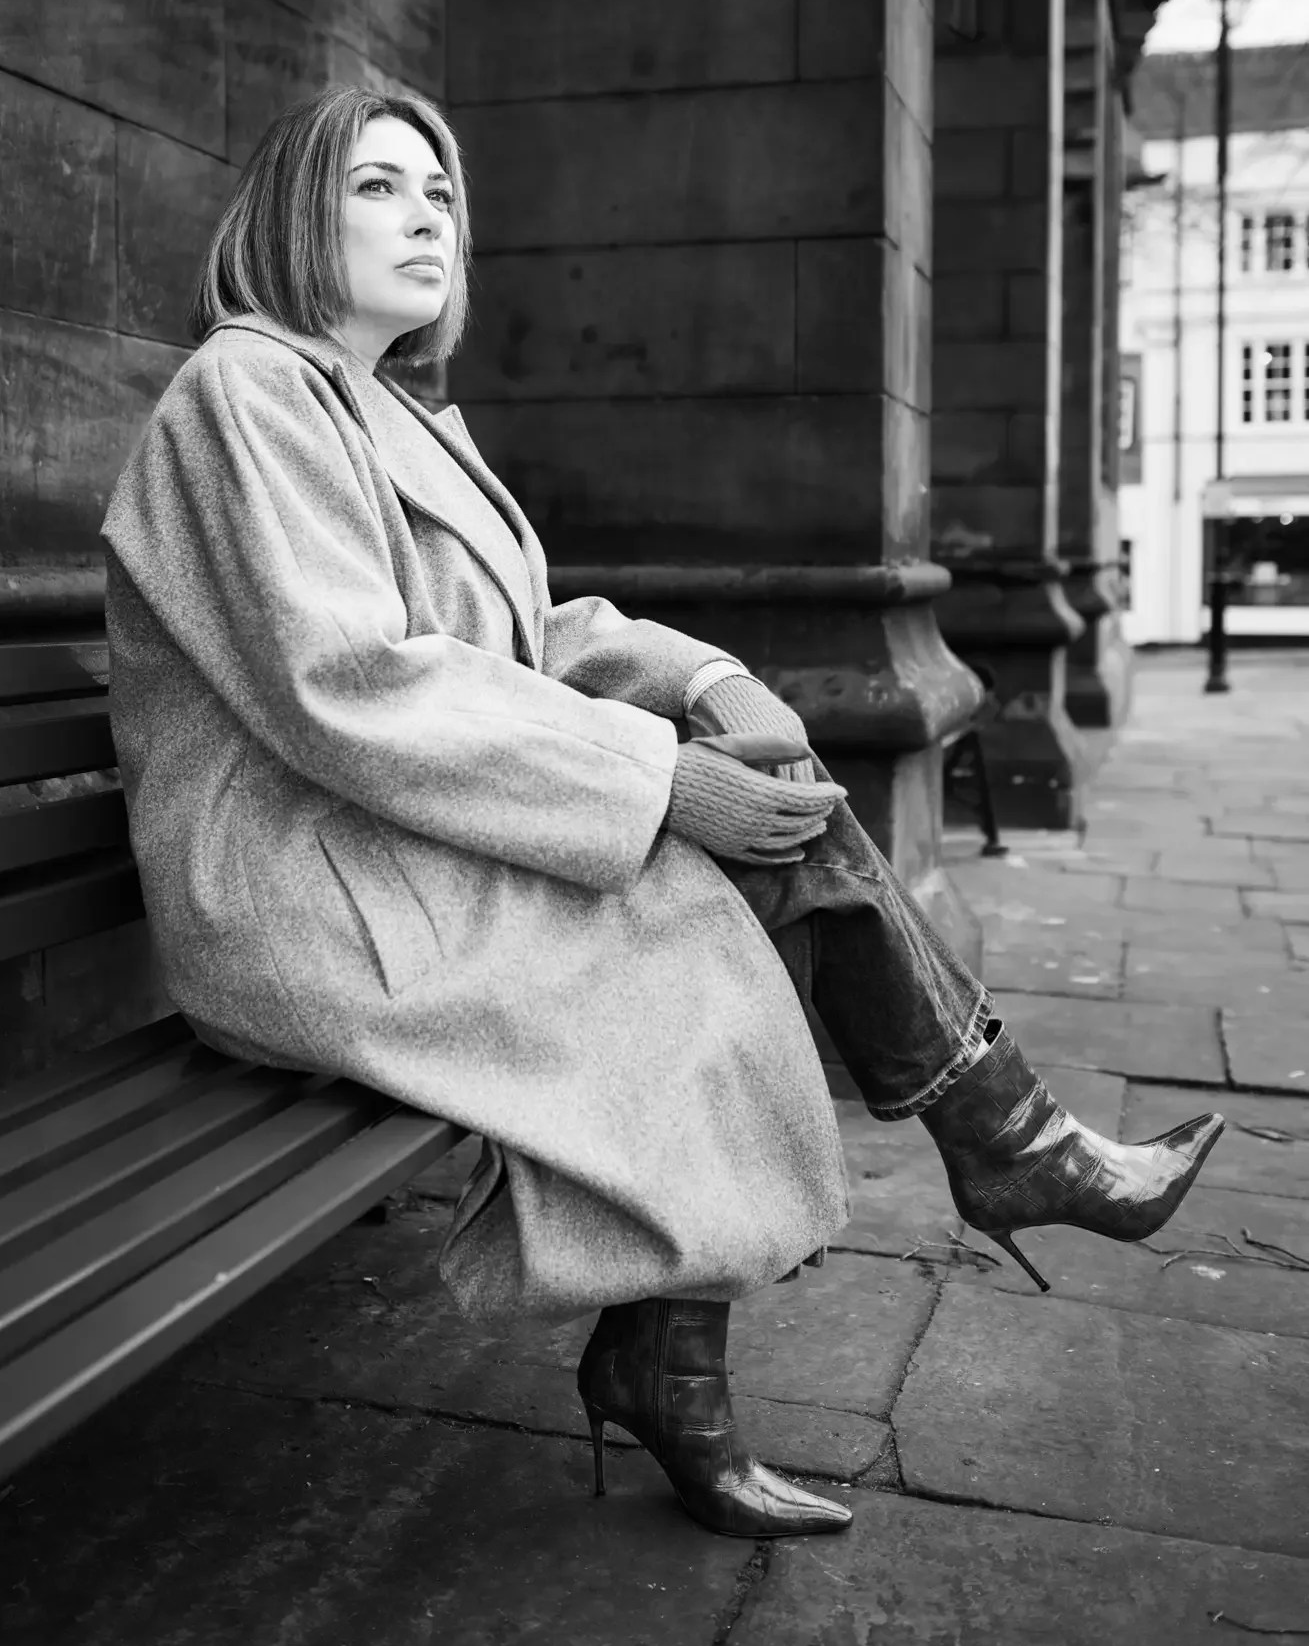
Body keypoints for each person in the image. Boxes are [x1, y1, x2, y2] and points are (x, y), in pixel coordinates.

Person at [102, 87, 1223, 1543]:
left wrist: (708, 677)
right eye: (380, 187)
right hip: (293, 887)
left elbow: (528, 632)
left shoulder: (385, 409)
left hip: (386, 833)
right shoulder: (244, 393)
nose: (427, 213)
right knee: (722, 896)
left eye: (441, 190)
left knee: (769, 858)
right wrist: (664, 782)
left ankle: (700, 1338)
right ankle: (975, 1153)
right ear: (292, 217)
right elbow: (353, 681)